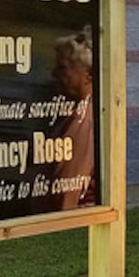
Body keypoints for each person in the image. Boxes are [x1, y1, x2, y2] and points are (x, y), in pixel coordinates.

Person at [50, 25, 95, 209]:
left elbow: (68, 191)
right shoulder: (76, 112)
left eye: (62, 68)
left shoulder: (87, 120)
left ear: (88, 75)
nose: (54, 74)